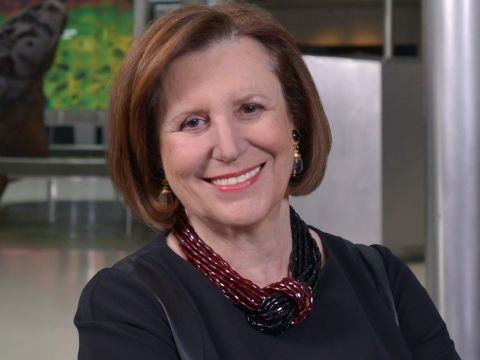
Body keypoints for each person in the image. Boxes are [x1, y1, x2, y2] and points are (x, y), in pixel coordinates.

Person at [74, 2, 460, 359]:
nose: (227, 147)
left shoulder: (383, 281)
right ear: (155, 153)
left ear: (295, 120)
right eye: (193, 121)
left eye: (250, 108)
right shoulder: (126, 307)